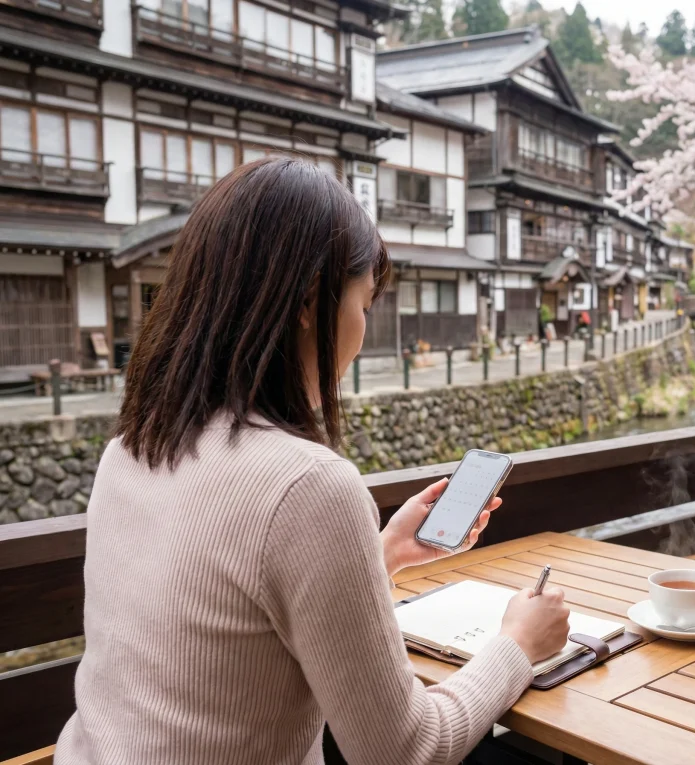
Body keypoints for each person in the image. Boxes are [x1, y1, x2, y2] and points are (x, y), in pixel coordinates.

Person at [55, 158, 571, 765]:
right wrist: (517, 642)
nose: (359, 325)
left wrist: (383, 554)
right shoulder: (308, 485)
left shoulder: (131, 448)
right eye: (362, 302)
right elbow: (404, 750)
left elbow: (227, 636)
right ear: (308, 304)